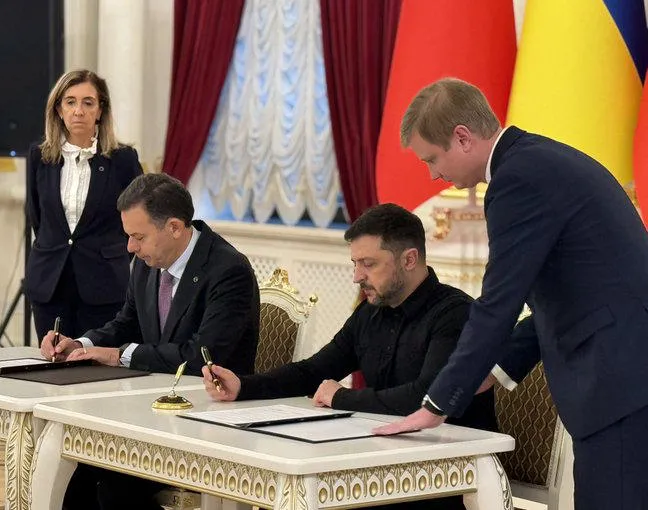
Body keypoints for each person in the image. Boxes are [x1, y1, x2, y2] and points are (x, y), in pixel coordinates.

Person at [374, 78, 648, 510]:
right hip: (629, 375)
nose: (433, 175)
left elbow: (497, 304)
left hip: (618, 383)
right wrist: (495, 367)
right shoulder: (538, 160)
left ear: (462, 137)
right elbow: (572, 297)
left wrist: (437, 404)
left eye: (432, 159)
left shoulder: (517, 180)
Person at [203, 203, 497, 510]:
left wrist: (341, 397)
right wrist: (243, 386)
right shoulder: (370, 313)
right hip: (381, 465)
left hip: (447, 477)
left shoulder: (455, 314)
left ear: (409, 259)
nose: (357, 277)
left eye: (368, 264)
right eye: (355, 264)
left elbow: (426, 397)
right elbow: (314, 370)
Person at [40, 172, 260, 510]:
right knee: (76, 473)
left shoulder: (228, 270)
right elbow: (127, 322)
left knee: (113, 486)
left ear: (174, 227)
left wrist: (119, 355)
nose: (130, 247)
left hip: (206, 421)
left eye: (138, 237)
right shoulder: (147, 262)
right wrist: (82, 344)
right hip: (150, 414)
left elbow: (200, 357)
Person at [25, 69, 143, 342]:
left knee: (95, 363)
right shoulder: (40, 156)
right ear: (59, 109)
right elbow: (38, 218)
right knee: (54, 362)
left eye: (88, 102)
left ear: (100, 110)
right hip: (49, 285)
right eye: (70, 102)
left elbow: (136, 221)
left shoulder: (123, 159)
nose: (79, 111)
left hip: (104, 285)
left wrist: (112, 256)